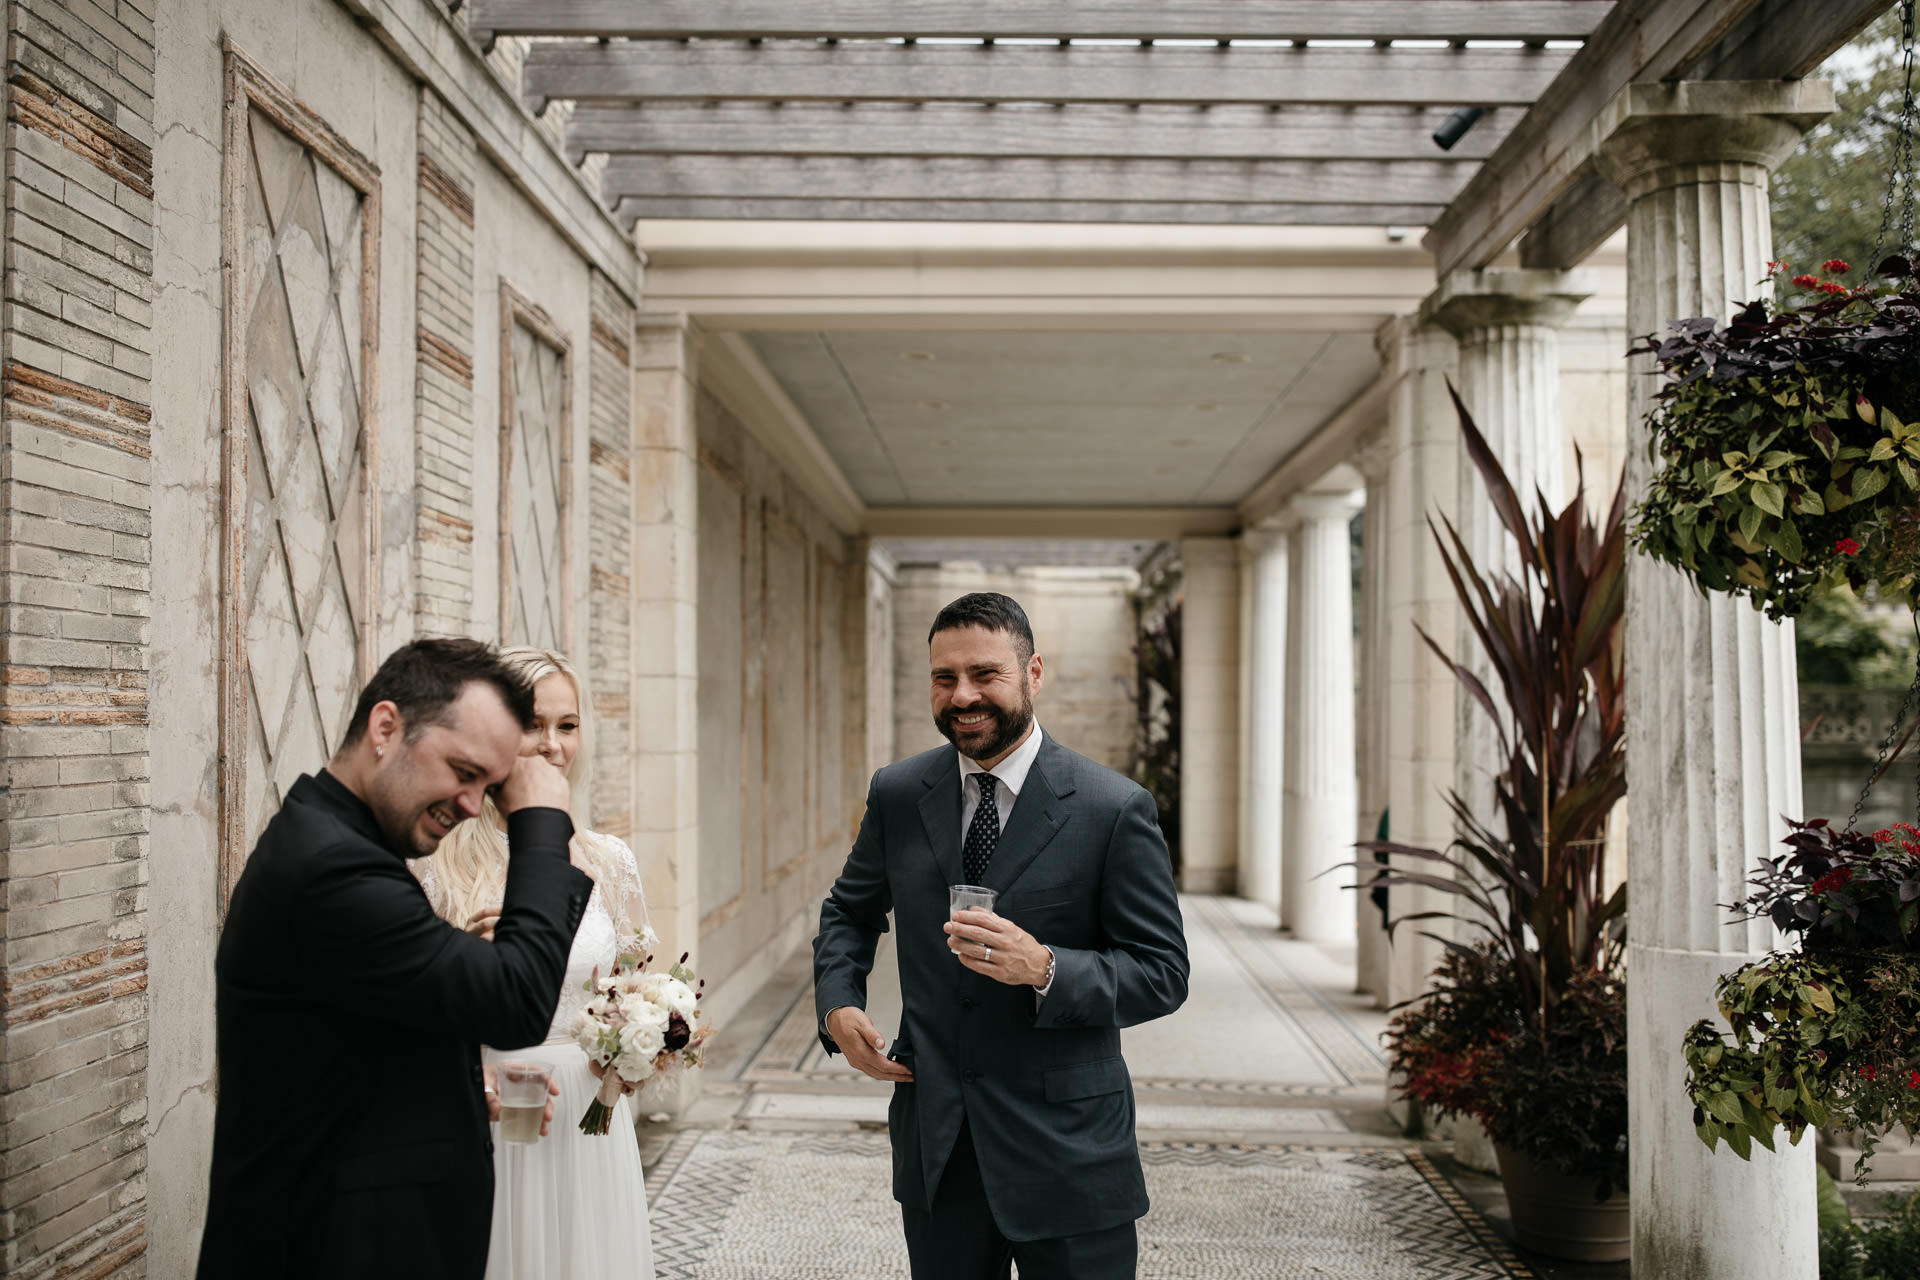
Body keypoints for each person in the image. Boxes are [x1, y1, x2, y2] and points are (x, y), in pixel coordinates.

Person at [813, 592, 1190, 1280]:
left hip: (1072, 1157)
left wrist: (1047, 968)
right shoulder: (898, 793)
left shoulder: (1113, 808)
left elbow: (1162, 973)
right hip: (940, 1150)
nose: (963, 695)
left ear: (1033, 673)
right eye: (944, 677)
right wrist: (837, 1006)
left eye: (985, 674)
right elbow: (848, 911)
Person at [197, 638, 592, 1280]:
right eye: (464, 773)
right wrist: (542, 823)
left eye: (489, 786)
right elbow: (514, 1002)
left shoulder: (345, 845)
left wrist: (458, 1088)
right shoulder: (331, 867)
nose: (471, 806)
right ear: (387, 727)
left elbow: (357, 1037)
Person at [421, 647, 656, 1280]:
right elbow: (407, 1018)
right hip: (496, 1105)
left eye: (567, 725)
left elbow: (638, 988)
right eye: (531, 724)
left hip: (592, 1117)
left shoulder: (610, 860)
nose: (551, 745)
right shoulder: (437, 863)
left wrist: (641, 1048)